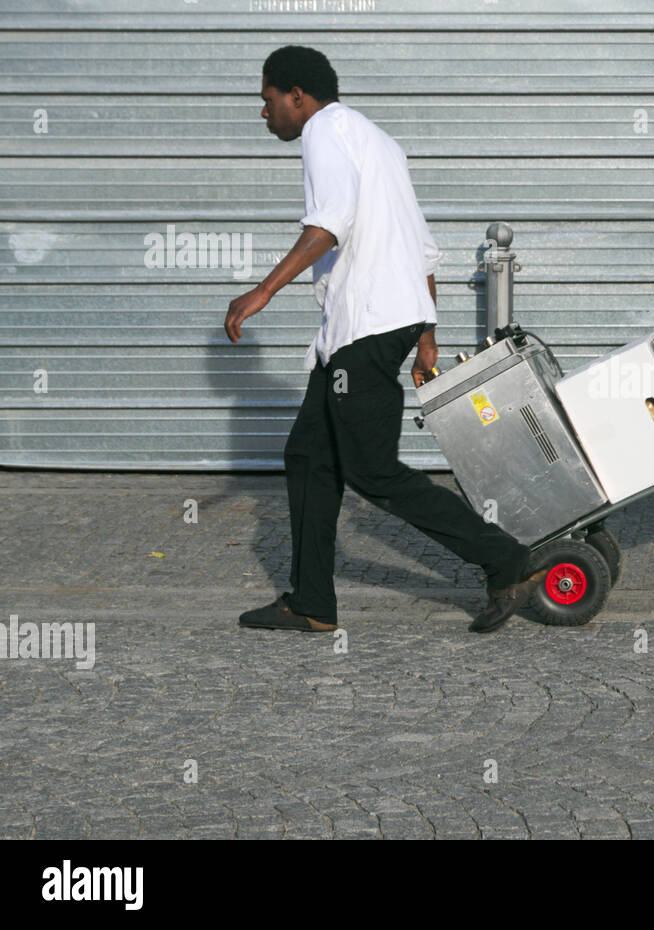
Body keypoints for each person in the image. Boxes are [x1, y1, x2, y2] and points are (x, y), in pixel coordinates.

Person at [226, 45, 545, 634]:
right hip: (368, 328)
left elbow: (331, 223)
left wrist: (263, 291)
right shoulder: (377, 140)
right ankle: (312, 602)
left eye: (268, 101)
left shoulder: (324, 131)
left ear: (298, 96)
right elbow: (420, 245)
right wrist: (427, 333)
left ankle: (504, 558)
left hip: (366, 328)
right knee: (309, 457)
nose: (263, 113)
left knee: (371, 471)